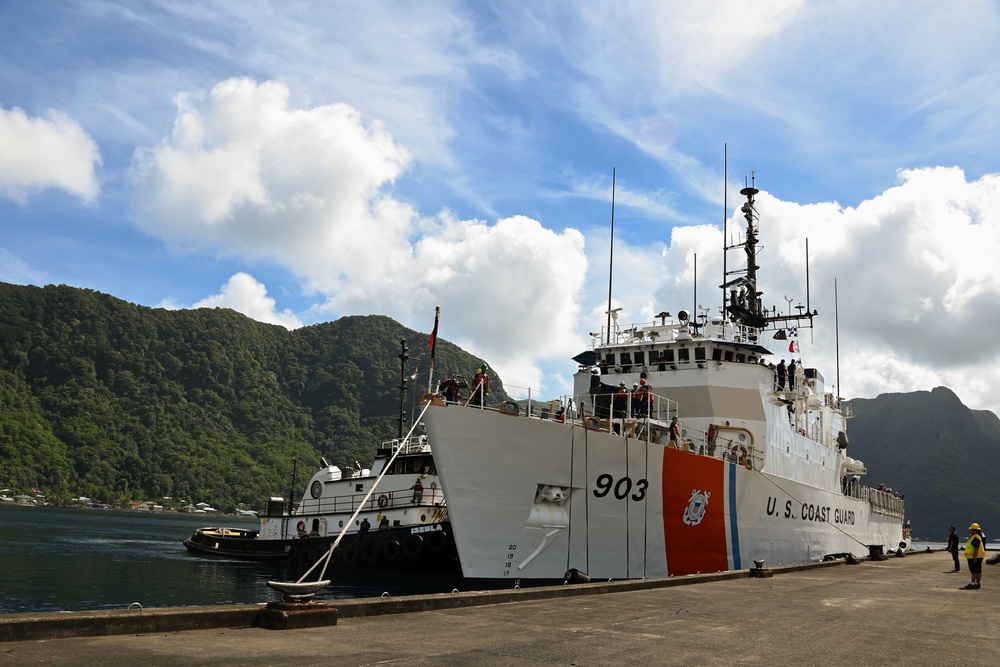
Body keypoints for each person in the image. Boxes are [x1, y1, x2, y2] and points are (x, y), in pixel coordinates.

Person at [963, 522, 986, 589]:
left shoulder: (975, 538)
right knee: (978, 570)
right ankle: (977, 583)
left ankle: (973, 583)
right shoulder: (978, 537)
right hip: (979, 557)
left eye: (971, 529)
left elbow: (976, 548)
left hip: (973, 557)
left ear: (975, 530)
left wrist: (974, 557)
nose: (970, 530)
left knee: (974, 571)